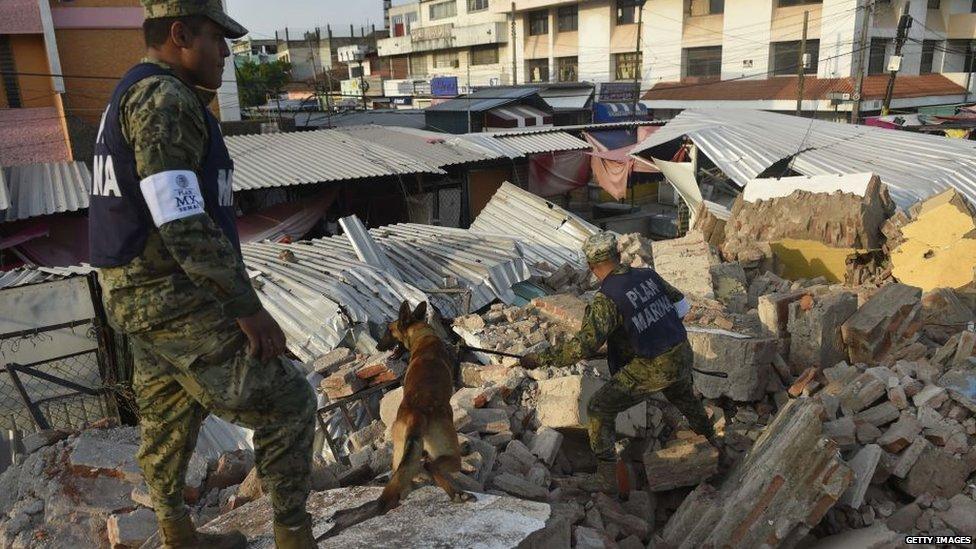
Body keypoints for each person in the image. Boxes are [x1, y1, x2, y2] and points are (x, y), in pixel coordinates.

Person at [88, 2, 316, 547]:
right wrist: (248, 309)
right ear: (179, 33)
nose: (226, 53)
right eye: (218, 39)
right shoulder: (163, 101)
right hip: (172, 294)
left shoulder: (134, 92)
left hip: (140, 294)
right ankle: (293, 536)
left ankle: (177, 532)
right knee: (288, 401)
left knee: (168, 410)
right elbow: (183, 223)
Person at [521, 231, 721, 494]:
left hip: (654, 365)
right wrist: (652, 332)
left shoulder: (606, 298)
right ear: (617, 256)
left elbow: (582, 346)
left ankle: (606, 479)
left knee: (599, 407)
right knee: (684, 398)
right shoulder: (646, 276)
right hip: (681, 352)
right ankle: (714, 445)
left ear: (593, 268)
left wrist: (540, 358)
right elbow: (681, 305)